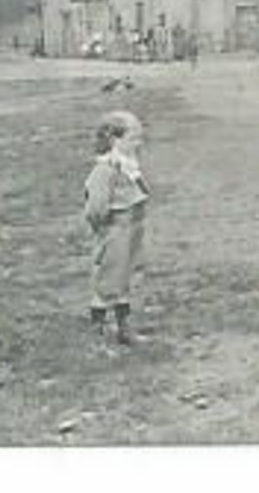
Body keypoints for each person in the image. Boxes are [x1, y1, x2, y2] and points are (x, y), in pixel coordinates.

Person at [83, 110, 152, 345]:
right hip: (115, 231)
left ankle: (125, 329)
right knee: (108, 279)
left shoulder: (129, 166)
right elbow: (95, 208)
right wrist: (104, 230)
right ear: (115, 140)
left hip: (132, 230)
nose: (138, 143)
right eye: (133, 138)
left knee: (127, 278)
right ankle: (97, 336)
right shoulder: (106, 169)